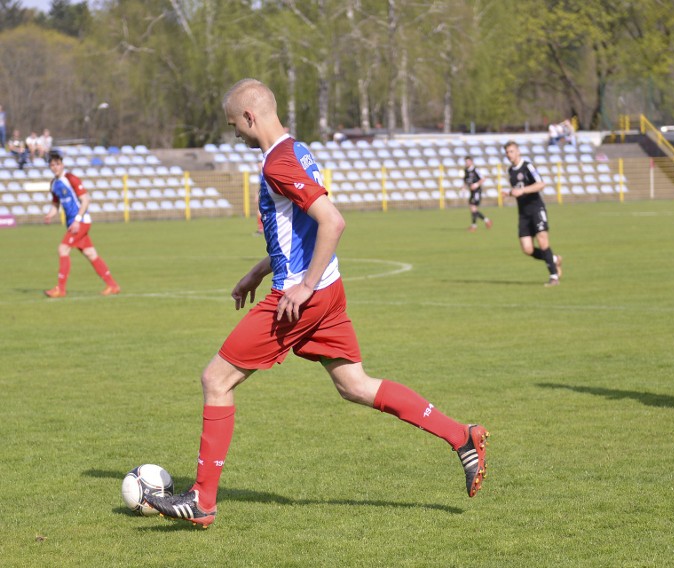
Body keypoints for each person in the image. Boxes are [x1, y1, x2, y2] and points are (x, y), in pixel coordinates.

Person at [144, 79, 489, 528]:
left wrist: (302, 286)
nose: (235, 135)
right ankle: (462, 436)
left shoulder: (278, 164)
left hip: (300, 299)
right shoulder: (296, 151)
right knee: (355, 385)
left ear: (251, 117)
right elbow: (300, 230)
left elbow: (332, 221)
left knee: (215, 379)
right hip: (329, 289)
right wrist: (260, 268)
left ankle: (202, 500)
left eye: (234, 126)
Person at [43, 151, 121, 298]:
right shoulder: (54, 184)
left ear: (62, 164)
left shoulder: (70, 178)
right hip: (74, 224)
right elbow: (55, 204)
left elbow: (85, 199)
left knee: (63, 249)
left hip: (81, 222)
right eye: (52, 165)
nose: (55, 167)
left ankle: (61, 289)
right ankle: (113, 286)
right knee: (91, 253)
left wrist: (78, 220)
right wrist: (50, 214)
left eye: (57, 164)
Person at [503, 141, 562, 287]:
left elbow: (541, 184)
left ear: (518, 151)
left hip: (536, 209)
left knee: (543, 242)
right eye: (507, 152)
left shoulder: (527, 166)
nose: (509, 155)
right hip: (523, 213)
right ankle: (554, 259)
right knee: (527, 249)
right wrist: (510, 193)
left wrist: (522, 191)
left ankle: (553, 276)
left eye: (511, 151)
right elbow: (518, 190)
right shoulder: (510, 171)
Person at [462, 156, 492, 231]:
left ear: (471, 162)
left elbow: (483, 178)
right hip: (472, 192)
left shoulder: (475, 170)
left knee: (473, 208)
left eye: (468, 161)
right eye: (466, 162)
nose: (467, 163)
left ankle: (474, 226)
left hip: (477, 192)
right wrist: (464, 187)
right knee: (472, 209)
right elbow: (466, 180)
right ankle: (486, 221)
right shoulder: (466, 171)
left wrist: (476, 184)